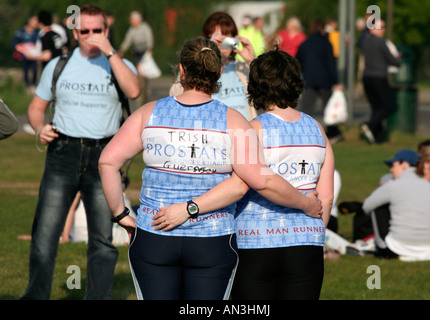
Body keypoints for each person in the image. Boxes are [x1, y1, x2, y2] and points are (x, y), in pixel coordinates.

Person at [98, 37, 322, 300]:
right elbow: (251, 181)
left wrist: (120, 214)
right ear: (218, 73)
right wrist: (306, 204)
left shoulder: (149, 113)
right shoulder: (236, 121)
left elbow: (107, 161)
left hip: (155, 234)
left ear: (181, 70)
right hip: (212, 238)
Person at [158, 47, 332, 299]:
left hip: (254, 242)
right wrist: (313, 232)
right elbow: (326, 196)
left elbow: (237, 185)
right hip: (306, 244)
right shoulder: (317, 129)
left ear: (255, 87)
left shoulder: (251, 130)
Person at [21, 4, 140, 300]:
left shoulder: (118, 64)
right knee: (45, 235)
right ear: (75, 32)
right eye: (83, 31)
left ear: (106, 30)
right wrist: (40, 128)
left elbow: (134, 91)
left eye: (97, 30)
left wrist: (111, 52)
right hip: (63, 153)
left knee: (101, 239)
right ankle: (36, 295)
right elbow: (36, 109)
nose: (90, 36)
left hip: (104, 158)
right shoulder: (58, 65)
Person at [170, 12, 257, 121]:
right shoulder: (195, 68)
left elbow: (269, 93)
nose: (220, 44)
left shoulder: (242, 68)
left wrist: (253, 62)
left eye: (226, 39)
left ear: (234, 39)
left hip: (242, 133)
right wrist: (207, 52)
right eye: (217, 40)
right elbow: (174, 96)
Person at [362, 149, 430, 258]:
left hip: (397, 249)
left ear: (405, 165)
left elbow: (366, 206)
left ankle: (378, 242)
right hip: (428, 249)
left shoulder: (393, 185)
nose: (391, 170)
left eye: (394, 165)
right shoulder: (429, 186)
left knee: (377, 206)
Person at [295, 18, 343, 142]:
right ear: (322, 29)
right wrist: (336, 81)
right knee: (329, 108)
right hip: (325, 80)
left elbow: (297, 60)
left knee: (307, 109)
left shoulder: (305, 44)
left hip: (310, 80)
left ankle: (303, 132)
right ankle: (332, 133)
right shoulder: (326, 44)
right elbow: (331, 64)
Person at [360, 19, 401, 144]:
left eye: (383, 27)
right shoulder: (380, 42)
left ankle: (378, 136)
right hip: (379, 78)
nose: (383, 29)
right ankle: (369, 125)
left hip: (367, 77)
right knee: (388, 106)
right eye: (380, 27)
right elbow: (392, 60)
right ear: (372, 28)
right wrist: (398, 59)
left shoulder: (365, 41)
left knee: (376, 107)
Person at [119, 11, 154, 104]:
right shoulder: (132, 30)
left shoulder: (145, 27)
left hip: (144, 52)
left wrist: (149, 49)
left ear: (136, 20)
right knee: (139, 73)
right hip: (137, 53)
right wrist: (122, 50)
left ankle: (145, 88)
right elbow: (127, 40)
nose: (130, 21)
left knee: (144, 73)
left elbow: (149, 39)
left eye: (131, 19)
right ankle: (141, 88)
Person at [12, 16, 40, 89]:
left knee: (34, 69)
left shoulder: (38, 32)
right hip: (24, 54)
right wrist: (18, 48)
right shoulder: (21, 31)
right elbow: (15, 41)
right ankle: (27, 84)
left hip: (34, 54)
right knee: (25, 69)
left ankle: (33, 84)